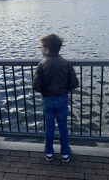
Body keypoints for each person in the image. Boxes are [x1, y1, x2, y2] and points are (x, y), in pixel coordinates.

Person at [32, 34, 79, 162]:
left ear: (47, 50)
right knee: (63, 126)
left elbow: (36, 86)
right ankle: (65, 153)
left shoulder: (42, 65)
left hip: (48, 100)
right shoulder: (66, 63)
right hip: (63, 99)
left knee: (49, 126)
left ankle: (49, 153)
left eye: (41, 47)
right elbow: (74, 84)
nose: (40, 49)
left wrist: (45, 90)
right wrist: (65, 89)